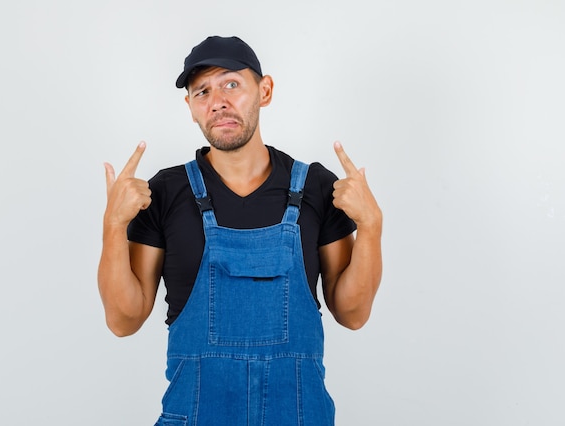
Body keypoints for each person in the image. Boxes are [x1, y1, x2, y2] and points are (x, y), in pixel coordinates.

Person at [98, 35, 382, 425]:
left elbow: (353, 314)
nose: (218, 101)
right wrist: (113, 226)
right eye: (203, 92)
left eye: (232, 83)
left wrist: (371, 226)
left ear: (264, 91)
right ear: (191, 108)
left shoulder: (316, 187)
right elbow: (123, 321)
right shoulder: (164, 192)